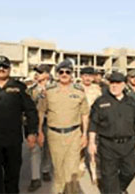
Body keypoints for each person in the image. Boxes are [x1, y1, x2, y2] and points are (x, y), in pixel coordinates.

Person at [38, 59, 89, 194]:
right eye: (61, 72)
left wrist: (85, 135)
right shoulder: (49, 91)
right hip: (54, 135)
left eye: (67, 71)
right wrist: (39, 132)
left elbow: (85, 114)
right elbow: (41, 111)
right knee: (59, 171)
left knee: (72, 170)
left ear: (72, 74)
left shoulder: (79, 91)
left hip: (74, 135)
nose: (64, 74)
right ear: (57, 74)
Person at [88, 72, 135, 194]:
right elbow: (93, 123)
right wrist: (91, 143)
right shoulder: (100, 102)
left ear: (124, 85)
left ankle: (120, 189)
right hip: (108, 145)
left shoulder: (131, 102)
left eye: (118, 83)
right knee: (108, 177)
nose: (114, 86)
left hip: (128, 144)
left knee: (130, 171)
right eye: (112, 83)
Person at [0, 55, 38, 193]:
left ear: (10, 69)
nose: (1, 69)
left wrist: (31, 132)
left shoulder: (19, 87)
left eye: (5, 66)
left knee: (12, 177)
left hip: (13, 140)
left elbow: (30, 111)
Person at [26, 65, 53, 192]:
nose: (37, 74)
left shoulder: (55, 87)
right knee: (35, 149)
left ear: (47, 74)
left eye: (40, 72)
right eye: (36, 72)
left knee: (48, 148)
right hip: (35, 122)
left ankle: (46, 170)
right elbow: (27, 104)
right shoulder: (31, 89)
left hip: (51, 121)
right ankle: (35, 178)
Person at [80, 67, 102, 184]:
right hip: (78, 122)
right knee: (80, 146)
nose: (87, 78)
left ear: (93, 77)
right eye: (85, 75)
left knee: (93, 147)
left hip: (93, 122)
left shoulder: (97, 89)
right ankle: (81, 164)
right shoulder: (76, 88)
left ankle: (95, 173)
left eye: (90, 75)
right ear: (81, 76)